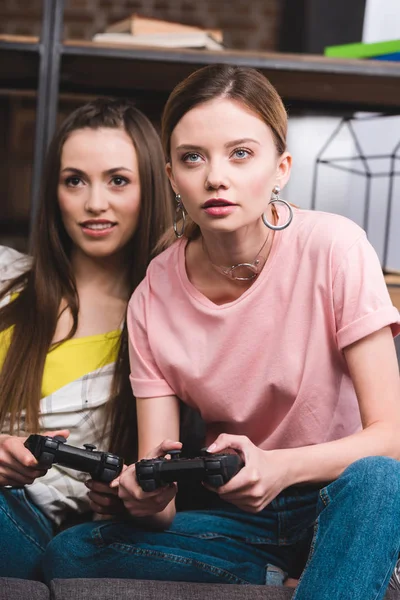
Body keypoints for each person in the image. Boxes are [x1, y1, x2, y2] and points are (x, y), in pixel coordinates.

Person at [42, 65, 400, 599]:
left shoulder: (336, 248)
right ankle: (304, 581)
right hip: (242, 522)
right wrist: (147, 497)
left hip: (344, 496)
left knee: (381, 481)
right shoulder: (152, 298)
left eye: (240, 154)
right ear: (170, 175)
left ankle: (344, 562)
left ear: (280, 168)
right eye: (193, 157)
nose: (215, 177)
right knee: (71, 551)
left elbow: (391, 439)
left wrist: (278, 467)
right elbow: (160, 497)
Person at [0, 97, 172, 580]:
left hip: (30, 521)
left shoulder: (164, 324)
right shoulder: (5, 277)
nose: (95, 202)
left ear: (151, 188)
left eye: (118, 180)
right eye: (74, 180)